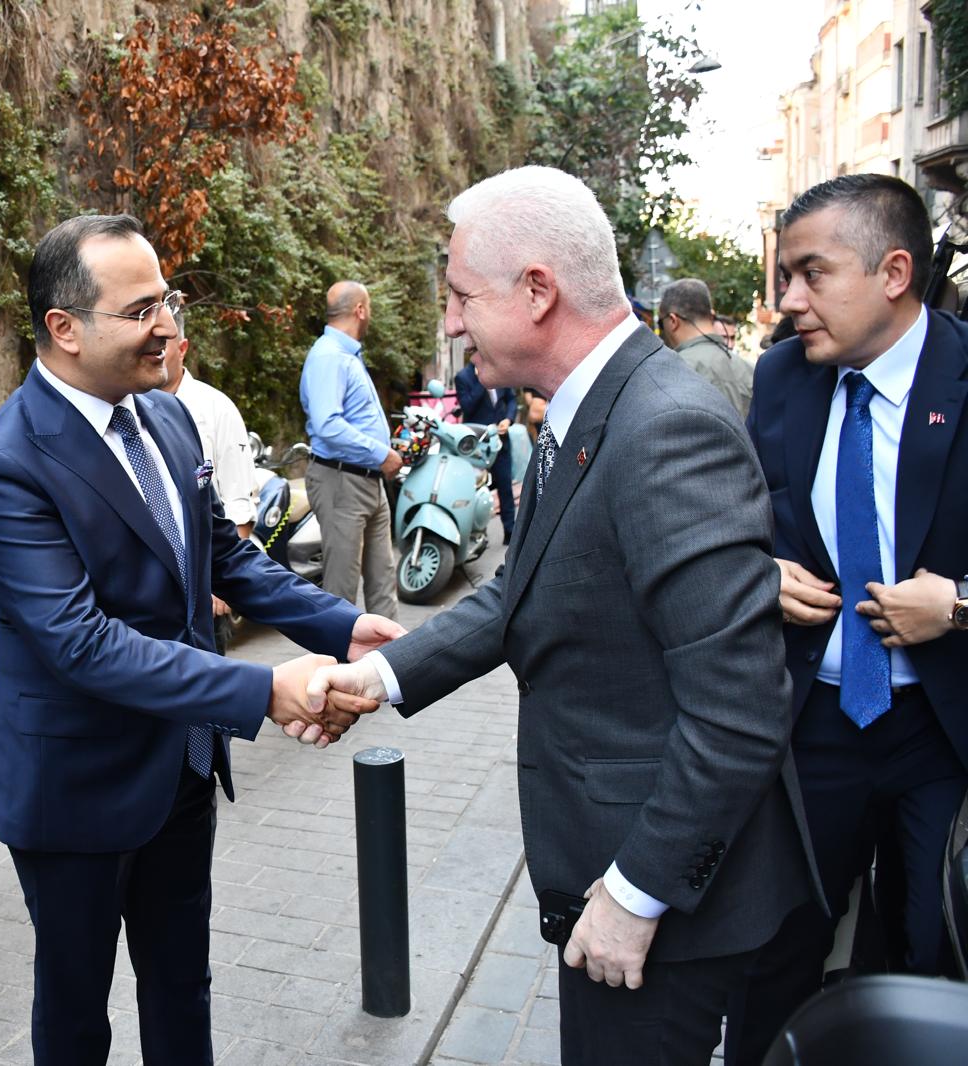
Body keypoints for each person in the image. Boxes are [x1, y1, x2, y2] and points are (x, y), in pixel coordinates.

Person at [306, 166, 814, 1066]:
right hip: (605, 876)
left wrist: (637, 893)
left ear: (538, 291)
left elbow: (739, 709)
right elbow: (521, 591)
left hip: (657, 908)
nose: (450, 322)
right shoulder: (594, 410)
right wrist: (380, 675)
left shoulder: (664, 428)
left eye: (462, 296)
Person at [0, 213, 402, 1066]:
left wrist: (340, 626)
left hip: (182, 767)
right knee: (76, 1013)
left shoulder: (166, 417)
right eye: (140, 310)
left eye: (167, 301)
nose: (166, 325)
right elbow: (81, 642)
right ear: (64, 328)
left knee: (181, 984)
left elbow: (222, 557)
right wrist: (263, 690)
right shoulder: (3, 463)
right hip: (75, 787)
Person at [724, 173, 968, 1065]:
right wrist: (757, 572)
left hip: (941, 733)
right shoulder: (782, 377)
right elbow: (741, 520)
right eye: (786, 276)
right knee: (776, 954)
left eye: (811, 274)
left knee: (930, 951)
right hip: (813, 724)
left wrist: (960, 605)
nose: (788, 301)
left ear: (894, 273)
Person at [299, 280, 399, 619]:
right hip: (341, 481)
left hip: (368, 481)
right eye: (368, 308)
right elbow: (328, 425)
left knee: (383, 583)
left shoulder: (347, 355)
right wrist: (382, 454)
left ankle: (393, 653)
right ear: (360, 310)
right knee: (341, 592)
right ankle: (337, 656)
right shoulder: (328, 356)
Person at [162, 304, 262, 625]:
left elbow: (238, 501)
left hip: (207, 579)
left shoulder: (216, 408)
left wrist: (223, 579)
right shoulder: (129, 404)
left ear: (183, 348)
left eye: (164, 342)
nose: (155, 350)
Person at [657, 278, 754, 420]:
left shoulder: (673, 370)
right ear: (712, 315)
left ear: (673, 321)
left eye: (661, 323)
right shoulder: (751, 370)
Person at [453, 360, 517, 543]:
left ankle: (510, 532)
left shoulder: (499, 369)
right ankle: (477, 533)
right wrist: (482, 380)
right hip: (476, 443)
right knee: (476, 488)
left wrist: (508, 419)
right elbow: (467, 406)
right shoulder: (463, 377)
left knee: (505, 486)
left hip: (500, 440)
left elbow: (511, 399)